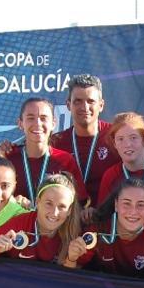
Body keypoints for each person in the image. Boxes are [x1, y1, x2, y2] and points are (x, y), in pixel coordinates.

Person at [0, 172, 90, 267]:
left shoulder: (73, 233)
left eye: (62, 207)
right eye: (48, 203)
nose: (54, 213)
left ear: (69, 211)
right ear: (37, 202)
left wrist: (71, 259)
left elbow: (67, 284)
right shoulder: (20, 224)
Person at [50, 74, 120, 202]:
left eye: (90, 101)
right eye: (78, 101)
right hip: (67, 216)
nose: (84, 107)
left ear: (101, 105)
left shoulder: (117, 136)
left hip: (107, 216)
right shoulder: (56, 142)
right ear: (68, 105)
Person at [6, 97, 86, 203]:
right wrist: (10, 202)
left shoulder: (65, 160)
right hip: (17, 219)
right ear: (20, 123)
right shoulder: (8, 159)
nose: (38, 123)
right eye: (30, 118)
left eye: (43, 118)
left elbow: (78, 202)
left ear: (53, 123)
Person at [95, 112, 144, 207]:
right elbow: (104, 216)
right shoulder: (111, 176)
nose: (127, 144)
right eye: (120, 139)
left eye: (133, 138)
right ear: (114, 144)